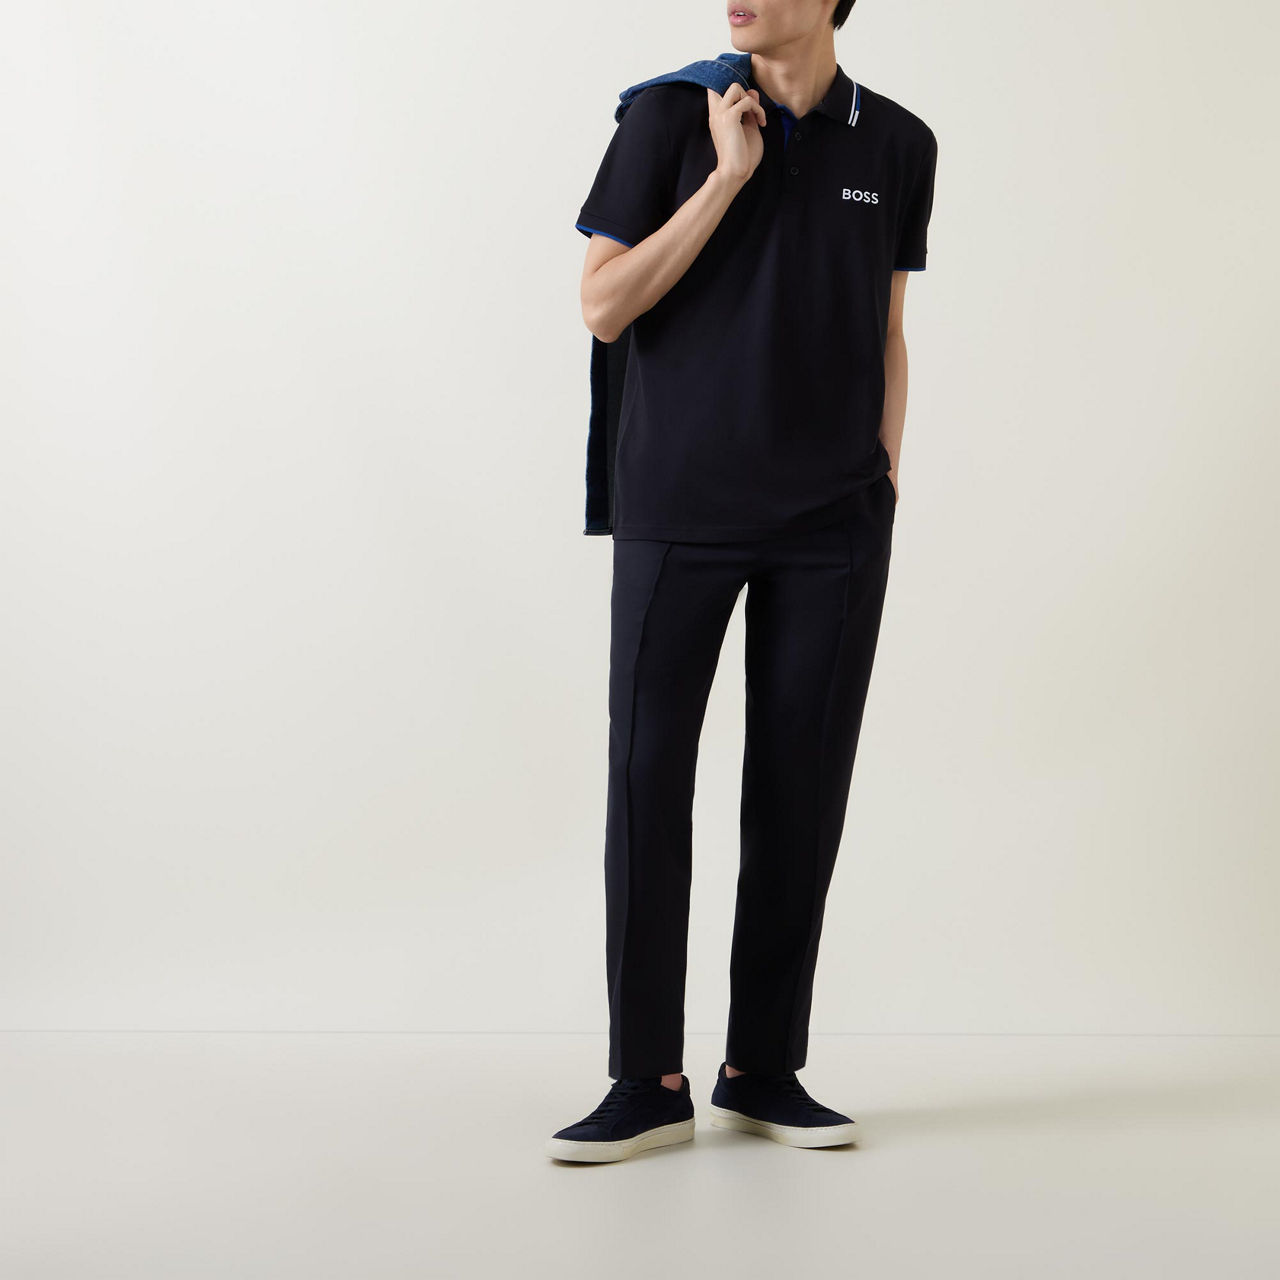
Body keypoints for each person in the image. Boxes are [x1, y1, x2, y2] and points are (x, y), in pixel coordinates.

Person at [546, 0, 937, 1163]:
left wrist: (881, 479)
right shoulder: (668, 115)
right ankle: (645, 1077)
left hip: (832, 522)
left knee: (796, 794)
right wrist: (723, 179)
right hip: (679, 508)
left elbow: (887, 326)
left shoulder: (897, 142)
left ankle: (761, 1067)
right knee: (646, 783)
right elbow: (602, 304)